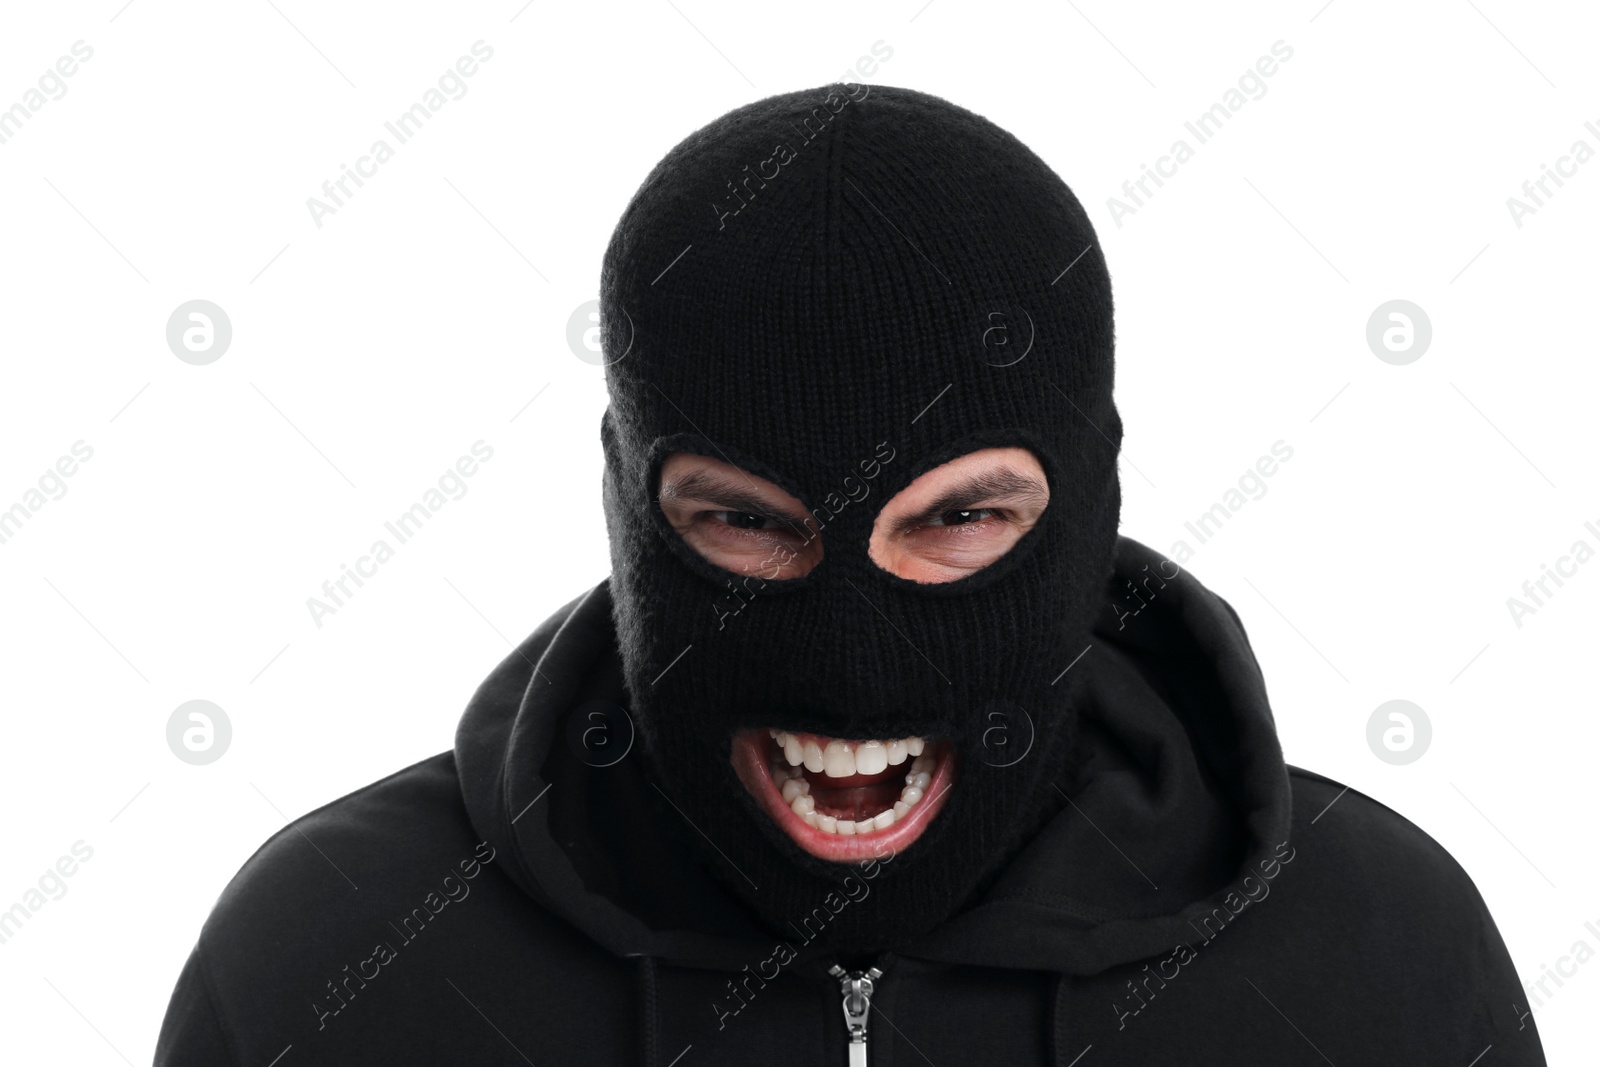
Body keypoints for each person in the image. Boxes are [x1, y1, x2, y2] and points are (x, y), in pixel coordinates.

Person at [156, 83, 1544, 1066]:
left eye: (958, 520)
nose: (852, 653)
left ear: (1091, 502)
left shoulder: (1375, 955)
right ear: (630, 511)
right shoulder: (335, 965)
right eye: (751, 525)